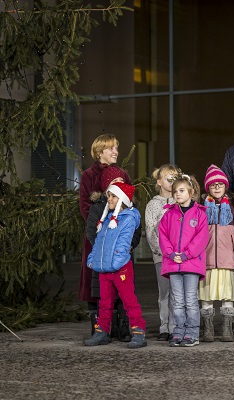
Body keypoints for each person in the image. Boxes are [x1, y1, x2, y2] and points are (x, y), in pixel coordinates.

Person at [84, 182, 146, 349]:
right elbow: (99, 242)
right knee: (104, 301)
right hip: (105, 268)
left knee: (128, 300)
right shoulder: (107, 220)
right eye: (109, 195)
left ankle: (138, 331)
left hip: (120, 268)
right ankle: (102, 331)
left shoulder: (129, 218)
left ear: (122, 200)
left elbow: (124, 244)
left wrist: (115, 262)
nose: (108, 199)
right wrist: (93, 259)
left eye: (112, 196)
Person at [79, 134, 130, 334]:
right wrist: (100, 229)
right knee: (95, 280)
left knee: (120, 277)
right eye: (111, 148)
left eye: (116, 147)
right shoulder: (88, 175)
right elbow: (85, 206)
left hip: (120, 236)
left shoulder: (122, 174)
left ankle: (120, 326)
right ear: (100, 151)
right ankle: (99, 326)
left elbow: (128, 201)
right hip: (98, 236)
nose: (116, 151)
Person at [159, 174, 209, 347]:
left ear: (191, 192)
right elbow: (163, 236)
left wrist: (187, 254)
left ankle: (192, 333)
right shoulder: (168, 214)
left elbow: (202, 237)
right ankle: (178, 331)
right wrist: (171, 253)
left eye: (181, 191)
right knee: (177, 301)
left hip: (191, 263)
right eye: (175, 192)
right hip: (173, 263)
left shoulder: (200, 214)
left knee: (190, 299)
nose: (177, 194)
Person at [200, 165, 234, 343]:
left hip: (228, 261)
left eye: (220, 184)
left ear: (226, 186)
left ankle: (227, 328)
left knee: (227, 295)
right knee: (206, 295)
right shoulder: (202, 208)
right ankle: (208, 329)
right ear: (208, 188)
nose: (217, 187)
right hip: (207, 261)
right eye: (213, 185)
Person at [145, 164, 179, 341]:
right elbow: (151, 231)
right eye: (168, 178)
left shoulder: (180, 200)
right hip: (162, 257)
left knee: (178, 292)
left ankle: (177, 326)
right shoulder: (153, 205)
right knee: (164, 292)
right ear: (159, 181)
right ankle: (164, 327)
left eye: (175, 178)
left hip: (180, 257)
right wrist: (163, 252)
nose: (172, 182)